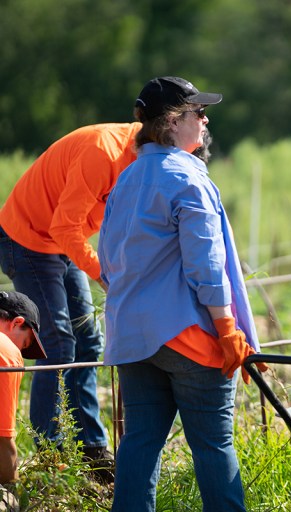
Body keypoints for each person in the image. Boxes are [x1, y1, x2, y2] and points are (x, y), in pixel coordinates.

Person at [98, 76, 267, 512]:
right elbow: (206, 266)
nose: (206, 120)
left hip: (132, 337)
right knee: (213, 444)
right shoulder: (188, 179)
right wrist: (228, 328)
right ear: (173, 122)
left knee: (139, 442)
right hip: (187, 334)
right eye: (199, 112)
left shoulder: (126, 180)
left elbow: (109, 261)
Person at [0, 121, 142, 478]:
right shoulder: (103, 152)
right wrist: (106, 277)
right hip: (29, 237)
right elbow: (65, 226)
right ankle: (50, 450)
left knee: (88, 339)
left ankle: (91, 447)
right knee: (57, 342)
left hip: (61, 238)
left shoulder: (146, 157)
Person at [0, 291, 48, 484]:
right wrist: (15, 492)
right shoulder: (6, 350)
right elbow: (3, 438)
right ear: (17, 323)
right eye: (25, 343)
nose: (20, 350)